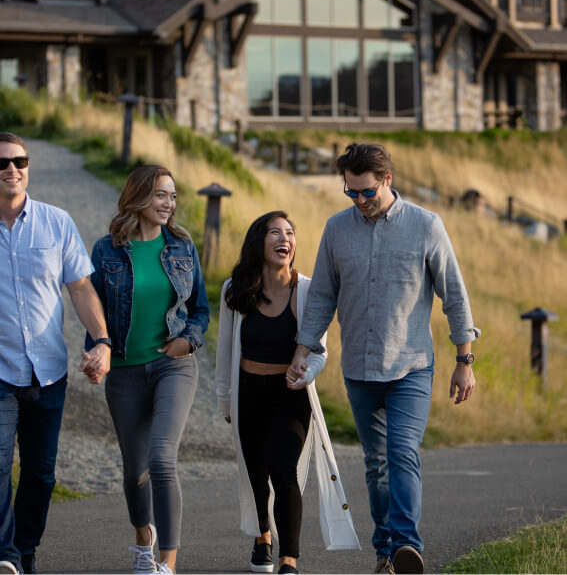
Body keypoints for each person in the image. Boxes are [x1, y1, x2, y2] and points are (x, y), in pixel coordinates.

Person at [287, 143, 480, 575]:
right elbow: (321, 296)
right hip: (359, 368)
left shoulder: (427, 226)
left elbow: (455, 294)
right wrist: (304, 346)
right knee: (375, 465)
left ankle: (407, 547)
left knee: (402, 452)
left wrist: (465, 359)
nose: (359, 201)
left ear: (387, 180)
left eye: (366, 192)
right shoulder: (337, 230)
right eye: (350, 192)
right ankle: (385, 551)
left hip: (411, 366)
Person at [216, 211, 359, 575]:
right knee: (255, 473)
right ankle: (263, 535)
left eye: (290, 233)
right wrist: (224, 398)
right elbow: (225, 349)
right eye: (275, 233)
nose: (285, 239)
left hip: (290, 395)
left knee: (284, 470)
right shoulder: (235, 289)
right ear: (258, 243)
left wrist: (305, 371)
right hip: (248, 393)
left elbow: (320, 350)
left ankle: (288, 560)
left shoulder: (309, 290)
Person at [87, 165, 209, 575]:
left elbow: (201, 310)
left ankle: (167, 564)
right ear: (139, 197)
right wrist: (96, 354)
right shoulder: (106, 250)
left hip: (172, 365)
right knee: (134, 469)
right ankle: (144, 541)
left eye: (172, 197)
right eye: (161, 195)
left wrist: (187, 339)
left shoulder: (181, 247)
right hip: (123, 370)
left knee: (161, 458)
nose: (169, 204)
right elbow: (96, 313)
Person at [0, 132, 111, 575]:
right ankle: (5, 555)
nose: (12, 170)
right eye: (2, 163)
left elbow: (81, 288)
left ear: (29, 166)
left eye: (19, 161)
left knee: (41, 474)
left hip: (47, 372)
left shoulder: (56, 221)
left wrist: (101, 341)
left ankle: (25, 550)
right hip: (0, 374)